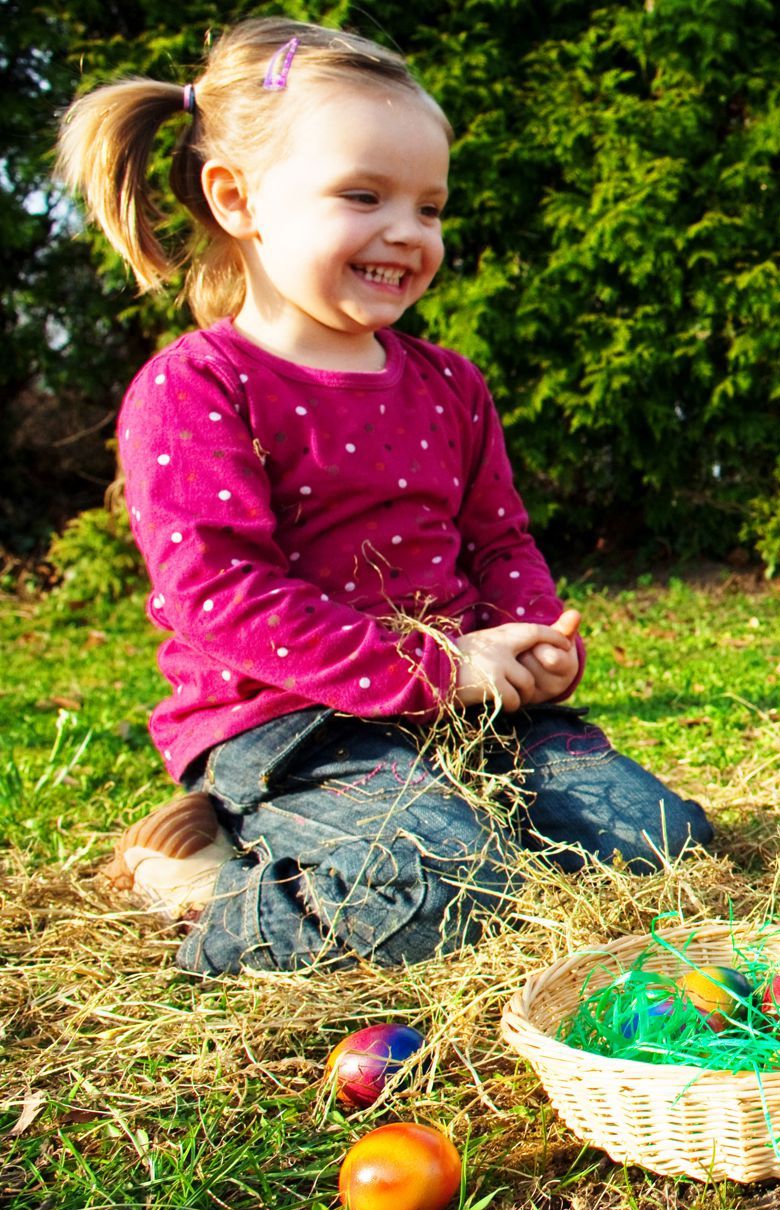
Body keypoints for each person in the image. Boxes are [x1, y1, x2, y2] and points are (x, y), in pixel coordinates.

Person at [56, 17, 711, 973]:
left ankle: (354, 832)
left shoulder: (450, 385)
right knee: (439, 895)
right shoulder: (195, 387)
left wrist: (534, 642)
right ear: (237, 198)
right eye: (363, 195)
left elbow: (498, 541)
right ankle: (207, 876)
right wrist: (441, 665)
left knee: (662, 845)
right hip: (290, 723)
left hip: (470, 708)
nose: (406, 233)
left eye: (430, 207)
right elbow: (223, 594)